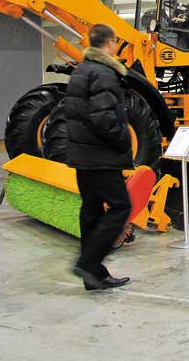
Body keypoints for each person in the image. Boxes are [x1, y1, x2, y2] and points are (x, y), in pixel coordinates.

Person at [64, 24, 134, 291]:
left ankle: (94, 275)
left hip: (83, 154)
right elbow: (104, 117)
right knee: (120, 207)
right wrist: (123, 140)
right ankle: (88, 262)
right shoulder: (104, 73)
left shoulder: (81, 70)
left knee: (91, 209)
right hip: (101, 155)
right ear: (110, 42)